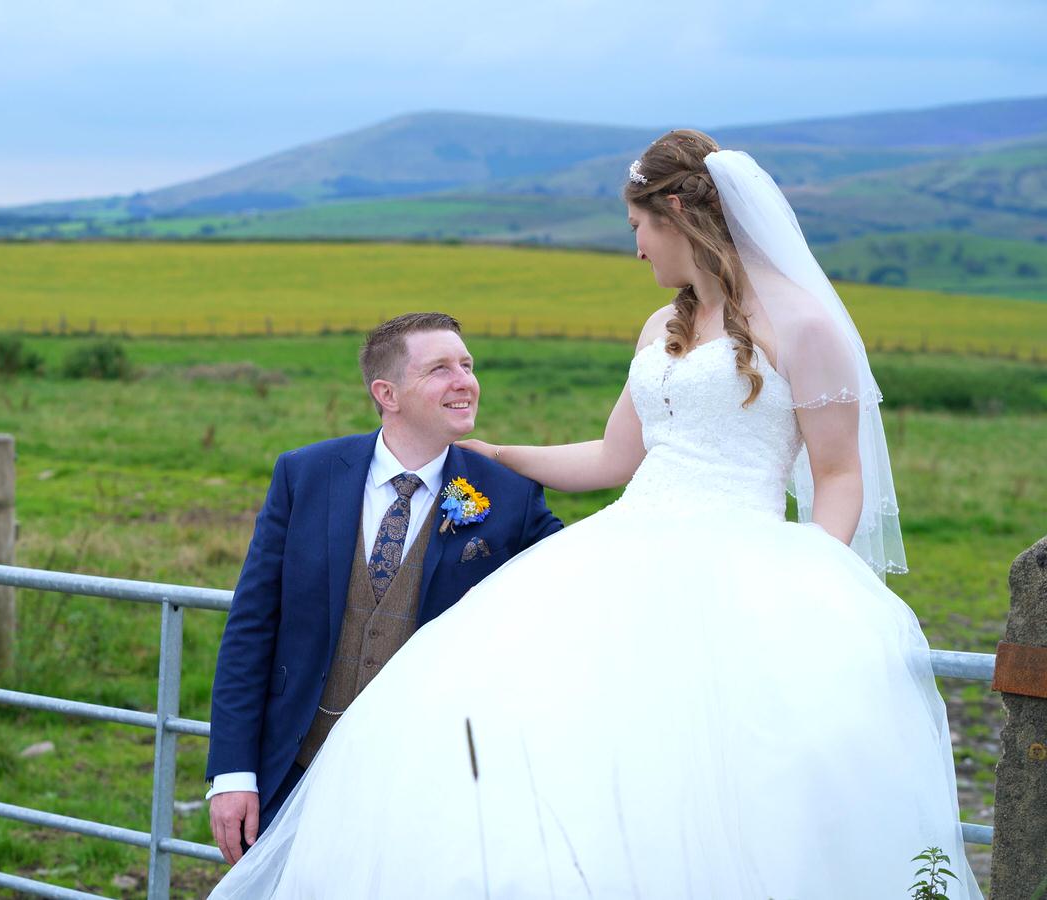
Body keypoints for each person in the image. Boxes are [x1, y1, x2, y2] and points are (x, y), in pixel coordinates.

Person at [209, 131, 982, 898]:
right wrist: (499, 454)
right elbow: (614, 458)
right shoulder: (662, 327)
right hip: (623, 550)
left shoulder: (806, 326)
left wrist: (813, 588)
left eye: (639, 227)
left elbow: (839, 474)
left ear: (677, 214)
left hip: (739, 566)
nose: (637, 248)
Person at [206, 312, 564, 865]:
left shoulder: (510, 495)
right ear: (387, 394)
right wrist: (232, 773)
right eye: (440, 369)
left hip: (427, 789)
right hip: (293, 772)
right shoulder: (304, 474)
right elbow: (251, 628)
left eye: (467, 365)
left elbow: (575, 578)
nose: (465, 381)